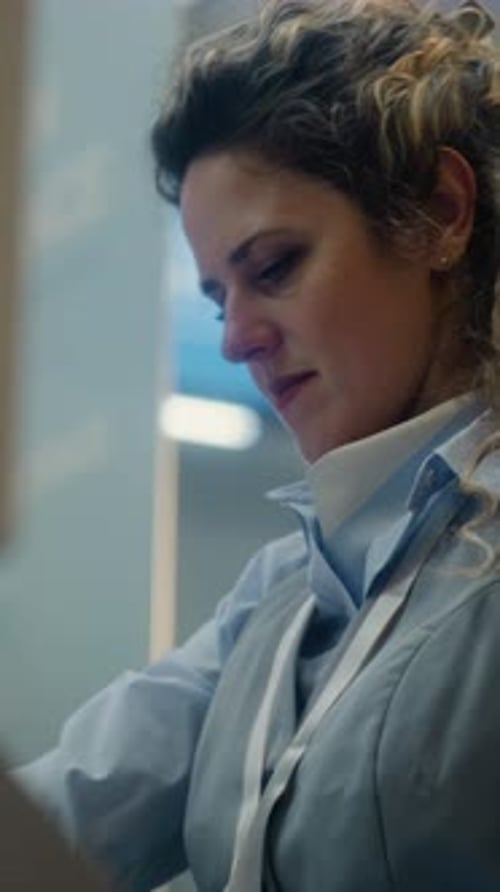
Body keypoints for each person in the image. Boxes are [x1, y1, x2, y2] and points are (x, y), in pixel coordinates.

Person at [16, 1, 500, 890]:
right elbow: (63, 814)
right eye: (215, 297)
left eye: (273, 267)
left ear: (440, 211)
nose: (236, 338)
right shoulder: (283, 592)